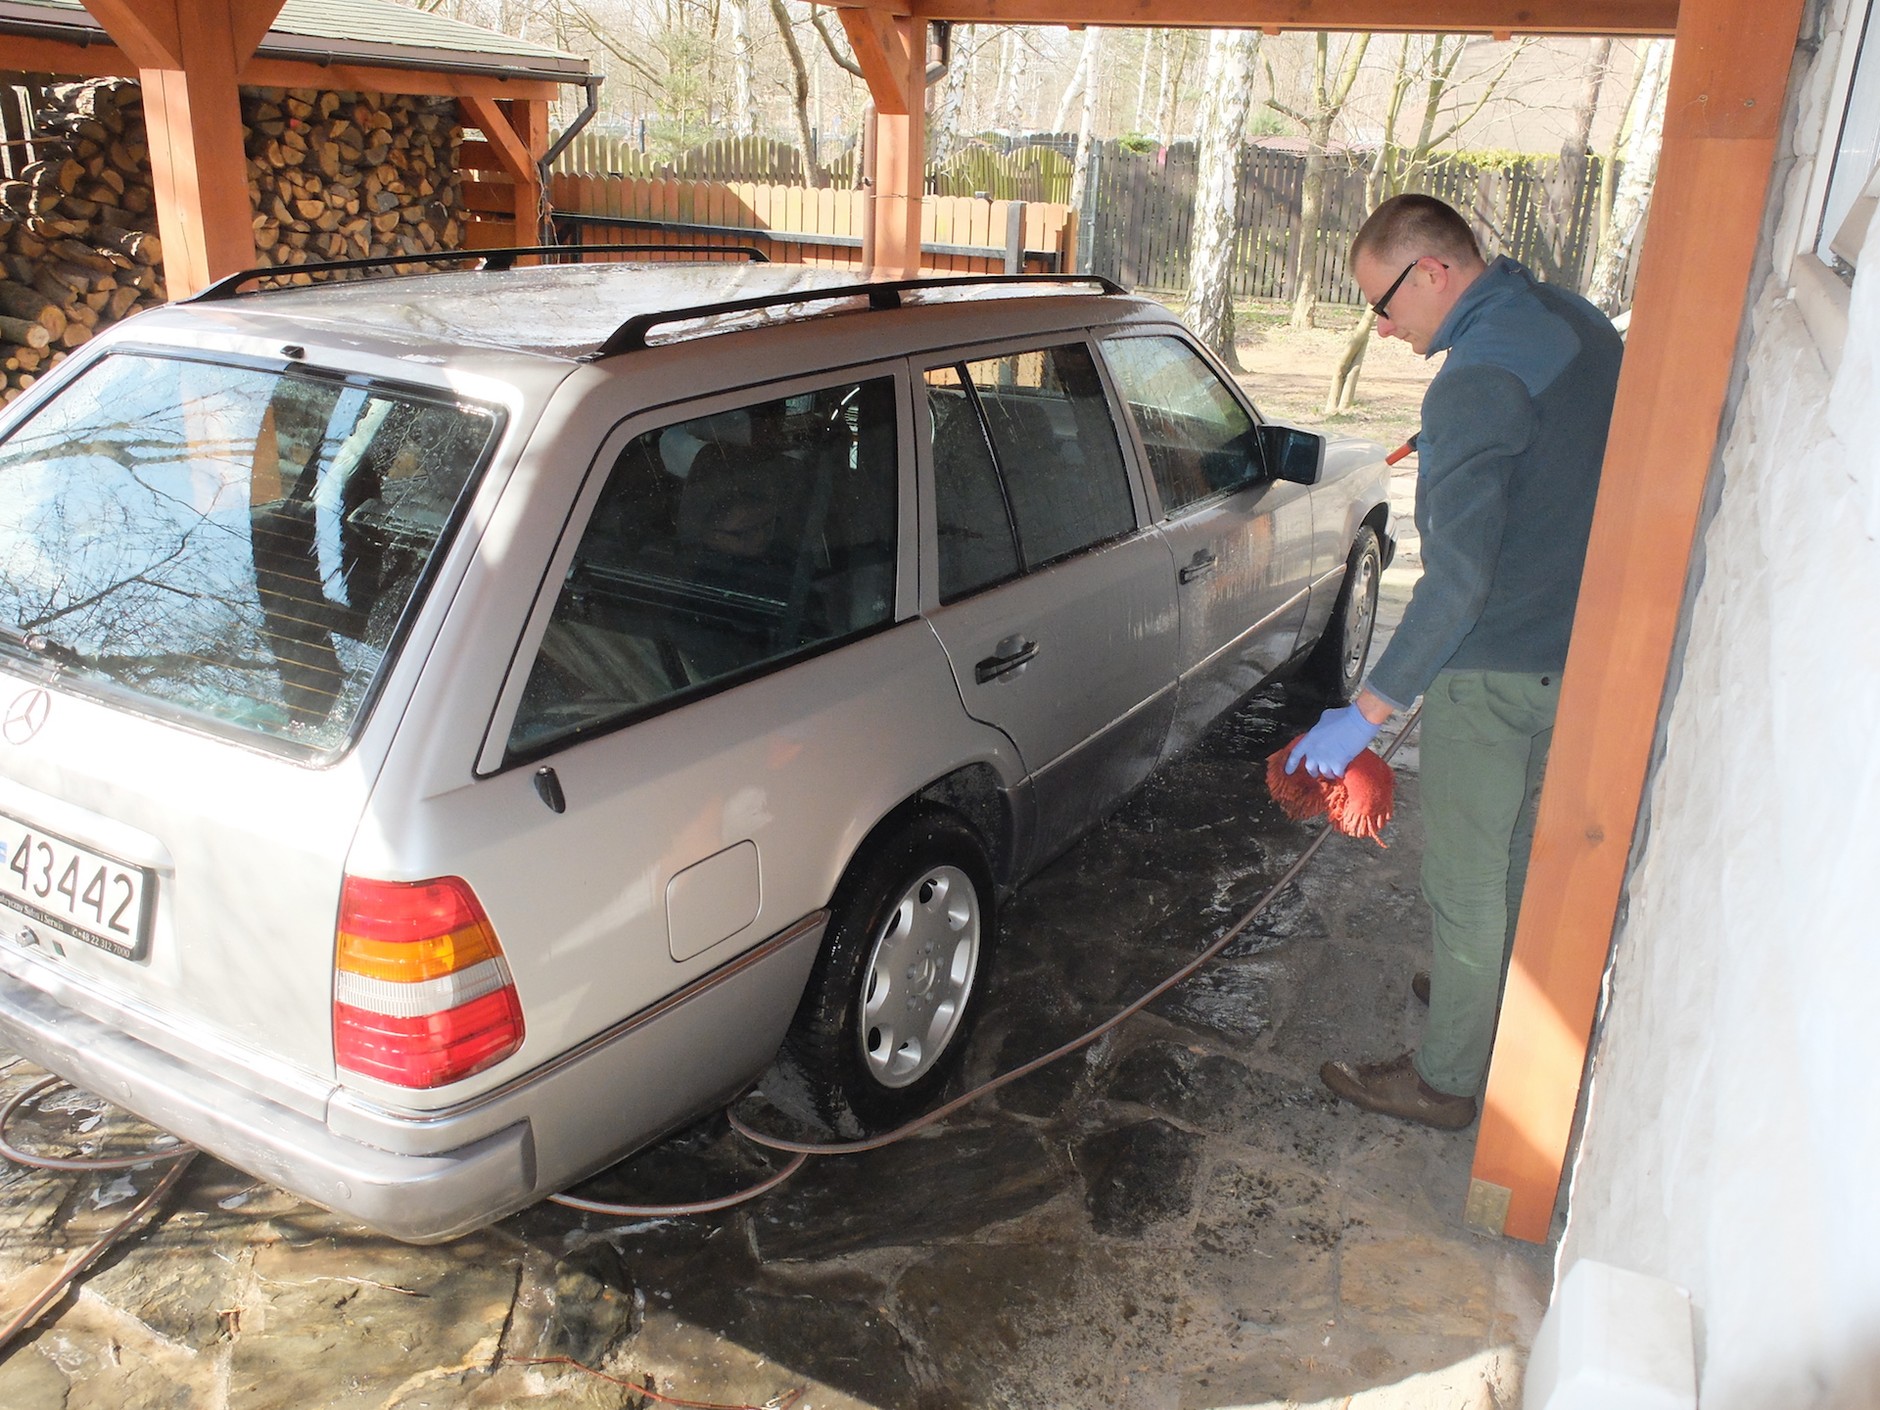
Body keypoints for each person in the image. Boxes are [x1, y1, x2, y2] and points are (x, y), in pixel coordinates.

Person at [1286, 193, 1624, 1129]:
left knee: (1464, 880)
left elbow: (1457, 584)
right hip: (1581, 649)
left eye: (1383, 303)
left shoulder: (1472, 382)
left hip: (1498, 665)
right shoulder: (1575, 321)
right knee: (1515, 850)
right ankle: (1485, 1005)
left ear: (1432, 270)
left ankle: (1443, 1082)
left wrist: (1369, 710)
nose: (1384, 328)